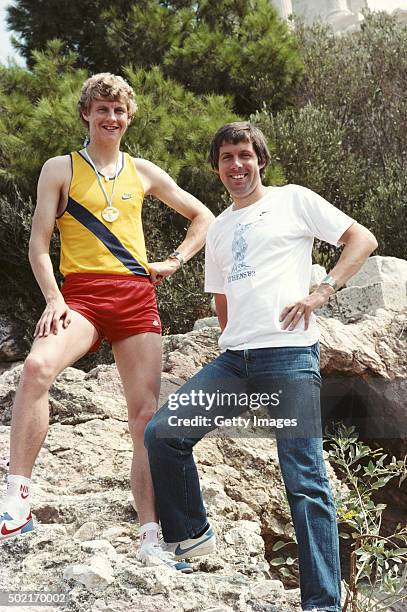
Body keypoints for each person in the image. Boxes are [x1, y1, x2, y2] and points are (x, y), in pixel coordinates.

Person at [144, 122, 378, 609]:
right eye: (227, 157)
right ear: (217, 167)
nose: (236, 165)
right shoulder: (221, 226)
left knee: (305, 481)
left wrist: (323, 290)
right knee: (164, 433)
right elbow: (222, 299)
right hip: (235, 363)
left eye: (244, 155)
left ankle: (322, 603)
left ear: (260, 160)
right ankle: (192, 533)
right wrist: (233, 339)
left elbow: (362, 239)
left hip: (289, 357)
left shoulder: (293, 199)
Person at [0, 73, 214, 572]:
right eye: (102, 110)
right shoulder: (60, 168)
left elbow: (202, 215)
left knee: (144, 418)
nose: (111, 118)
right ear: (86, 115)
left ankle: (150, 536)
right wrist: (53, 299)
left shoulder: (142, 171)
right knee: (36, 369)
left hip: (137, 299)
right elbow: (37, 244)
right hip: (82, 299)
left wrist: (175, 260)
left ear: (129, 116)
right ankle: (15, 502)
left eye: (118, 111)